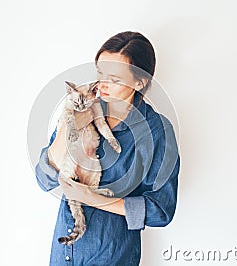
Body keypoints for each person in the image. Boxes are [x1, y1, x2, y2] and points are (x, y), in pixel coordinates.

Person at [35, 31, 180, 265]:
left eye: (114, 79)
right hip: (63, 255)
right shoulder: (82, 106)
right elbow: (44, 180)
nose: (102, 85)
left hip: (112, 256)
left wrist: (92, 198)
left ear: (140, 81)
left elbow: (161, 211)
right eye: (100, 73)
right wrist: (69, 125)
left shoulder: (156, 131)